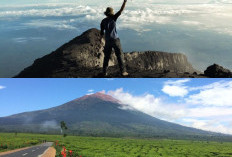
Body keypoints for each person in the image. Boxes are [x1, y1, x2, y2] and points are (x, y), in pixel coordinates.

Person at [100, 0, 129, 76]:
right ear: (112, 13)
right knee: (119, 56)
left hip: (108, 41)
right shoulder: (114, 18)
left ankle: (104, 72)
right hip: (115, 40)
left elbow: (101, 32)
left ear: (106, 13)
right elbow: (121, 10)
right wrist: (124, 2)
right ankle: (123, 72)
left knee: (106, 57)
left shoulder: (103, 21)